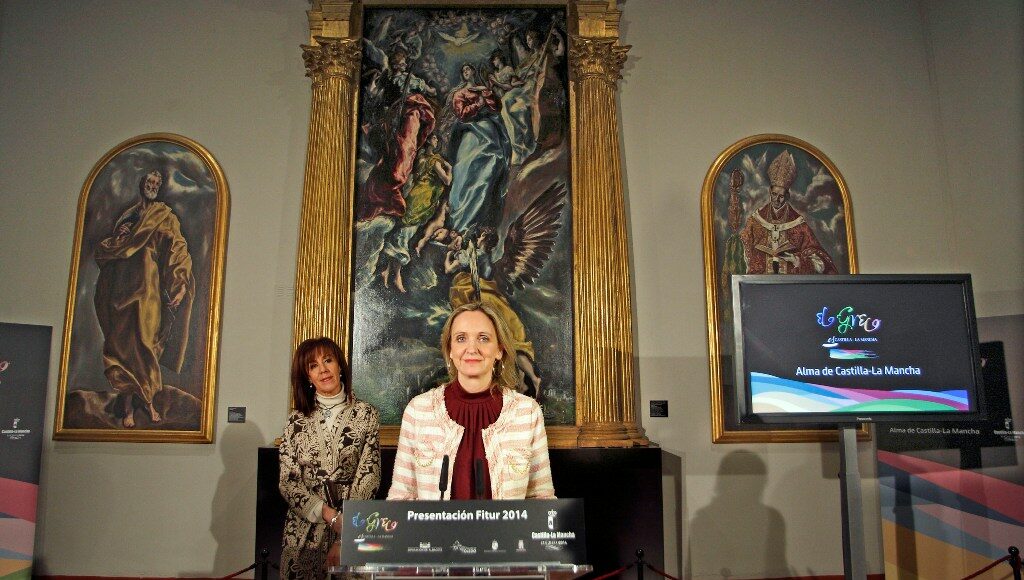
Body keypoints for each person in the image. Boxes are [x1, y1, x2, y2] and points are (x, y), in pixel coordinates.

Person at [387, 302, 555, 500]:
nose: (472, 348)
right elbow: (401, 499)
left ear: (499, 350)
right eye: (461, 338)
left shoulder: (527, 412)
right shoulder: (418, 411)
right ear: (450, 349)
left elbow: (542, 501)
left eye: (483, 338)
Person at [93, 169, 194, 428]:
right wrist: (120, 236)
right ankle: (128, 409)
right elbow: (112, 250)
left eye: (156, 183)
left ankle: (148, 403)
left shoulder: (164, 216)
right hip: (121, 289)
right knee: (123, 349)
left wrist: (180, 285)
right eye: (149, 181)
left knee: (146, 344)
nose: (152, 186)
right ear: (142, 184)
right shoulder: (129, 216)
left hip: (148, 289)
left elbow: (178, 250)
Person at [279, 337, 381, 578]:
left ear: (340, 366)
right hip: (303, 532)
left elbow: (368, 479)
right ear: (307, 376)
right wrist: (327, 514)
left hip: (354, 528)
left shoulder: (366, 414)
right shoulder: (295, 420)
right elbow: (288, 482)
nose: (323, 370)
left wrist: (343, 535)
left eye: (328, 360)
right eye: (313, 366)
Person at [739, 150, 839, 275]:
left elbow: (819, 258)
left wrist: (797, 260)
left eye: (781, 196)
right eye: (774, 194)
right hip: (760, 281)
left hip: (790, 282)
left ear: (787, 196)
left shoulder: (798, 224)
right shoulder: (756, 220)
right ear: (770, 192)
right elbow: (743, 246)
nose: (777, 199)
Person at [446, 64, 512, 236]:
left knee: (491, 168)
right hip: (471, 132)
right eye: (463, 71)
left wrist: (487, 94)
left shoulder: (483, 89)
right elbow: (462, 114)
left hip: (489, 129)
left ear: (474, 72)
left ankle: (480, 223)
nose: (466, 72)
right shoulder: (459, 94)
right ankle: (461, 223)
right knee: (467, 170)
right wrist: (479, 103)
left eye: (468, 70)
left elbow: (496, 108)